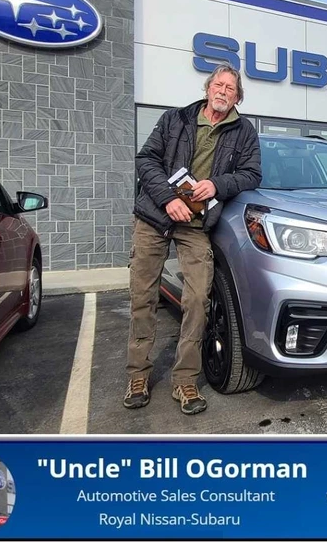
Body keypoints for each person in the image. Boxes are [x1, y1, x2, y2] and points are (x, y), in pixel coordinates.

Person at [125, 64, 262, 415]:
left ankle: (185, 379)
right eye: (218, 84)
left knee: (199, 298)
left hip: (198, 222)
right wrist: (168, 199)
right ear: (207, 88)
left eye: (231, 88)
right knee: (143, 296)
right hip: (156, 214)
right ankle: (138, 373)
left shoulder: (244, 131)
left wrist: (217, 184)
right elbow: (146, 159)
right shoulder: (176, 119)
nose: (223, 91)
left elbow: (251, 174)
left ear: (238, 96)